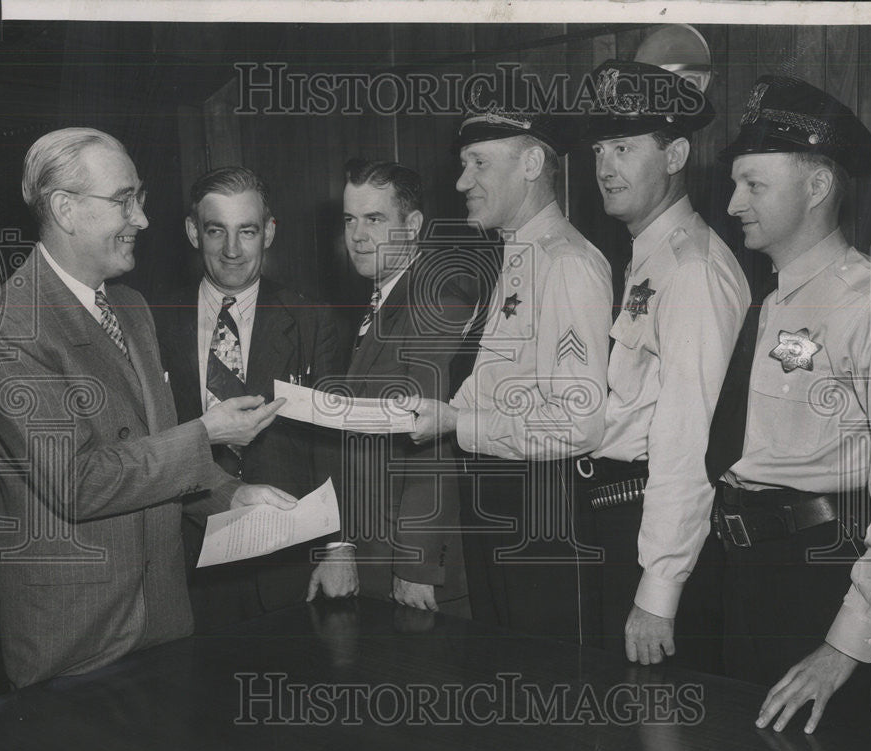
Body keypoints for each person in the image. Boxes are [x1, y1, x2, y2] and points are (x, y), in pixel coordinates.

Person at [0, 128, 294, 688]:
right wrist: (208, 433)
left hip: (165, 621)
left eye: (139, 199)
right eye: (124, 200)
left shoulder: (130, 306)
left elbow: (156, 451)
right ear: (65, 210)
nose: (142, 220)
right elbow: (78, 484)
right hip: (78, 642)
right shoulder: (10, 329)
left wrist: (229, 495)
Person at [706, 75, 871, 732]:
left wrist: (843, 647)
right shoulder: (773, 303)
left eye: (754, 185)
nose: (731, 203)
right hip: (747, 568)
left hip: (824, 574)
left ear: (817, 187)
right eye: (735, 183)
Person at [410, 109, 614, 642]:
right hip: (501, 502)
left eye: (478, 162)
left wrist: (458, 423)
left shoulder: (567, 264)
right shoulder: (515, 255)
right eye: (462, 163)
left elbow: (579, 424)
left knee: (551, 691)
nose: (461, 182)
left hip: (543, 513)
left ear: (530, 163)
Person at [573, 60, 751, 669]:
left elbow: (689, 440)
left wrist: (659, 589)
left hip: (658, 533)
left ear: (675, 155)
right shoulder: (649, 254)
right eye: (600, 147)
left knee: (658, 733)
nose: (604, 166)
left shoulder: (694, 269)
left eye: (624, 147)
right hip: (621, 517)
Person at [154, 166, 350, 630]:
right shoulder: (152, 320)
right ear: (192, 232)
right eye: (216, 230)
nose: (232, 250)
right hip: (187, 555)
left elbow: (335, 442)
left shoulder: (310, 318)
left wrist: (339, 547)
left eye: (248, 231)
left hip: (287, 559)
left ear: (270, 232)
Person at [310, 158, 476, 614]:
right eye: (350, 220)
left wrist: (416, 566)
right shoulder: (385, 296)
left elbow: (435, 443)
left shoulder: (435, 300)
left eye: (375, 219)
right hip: (375, 553)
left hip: (411, 571)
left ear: (413, 225)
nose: (357, 236)